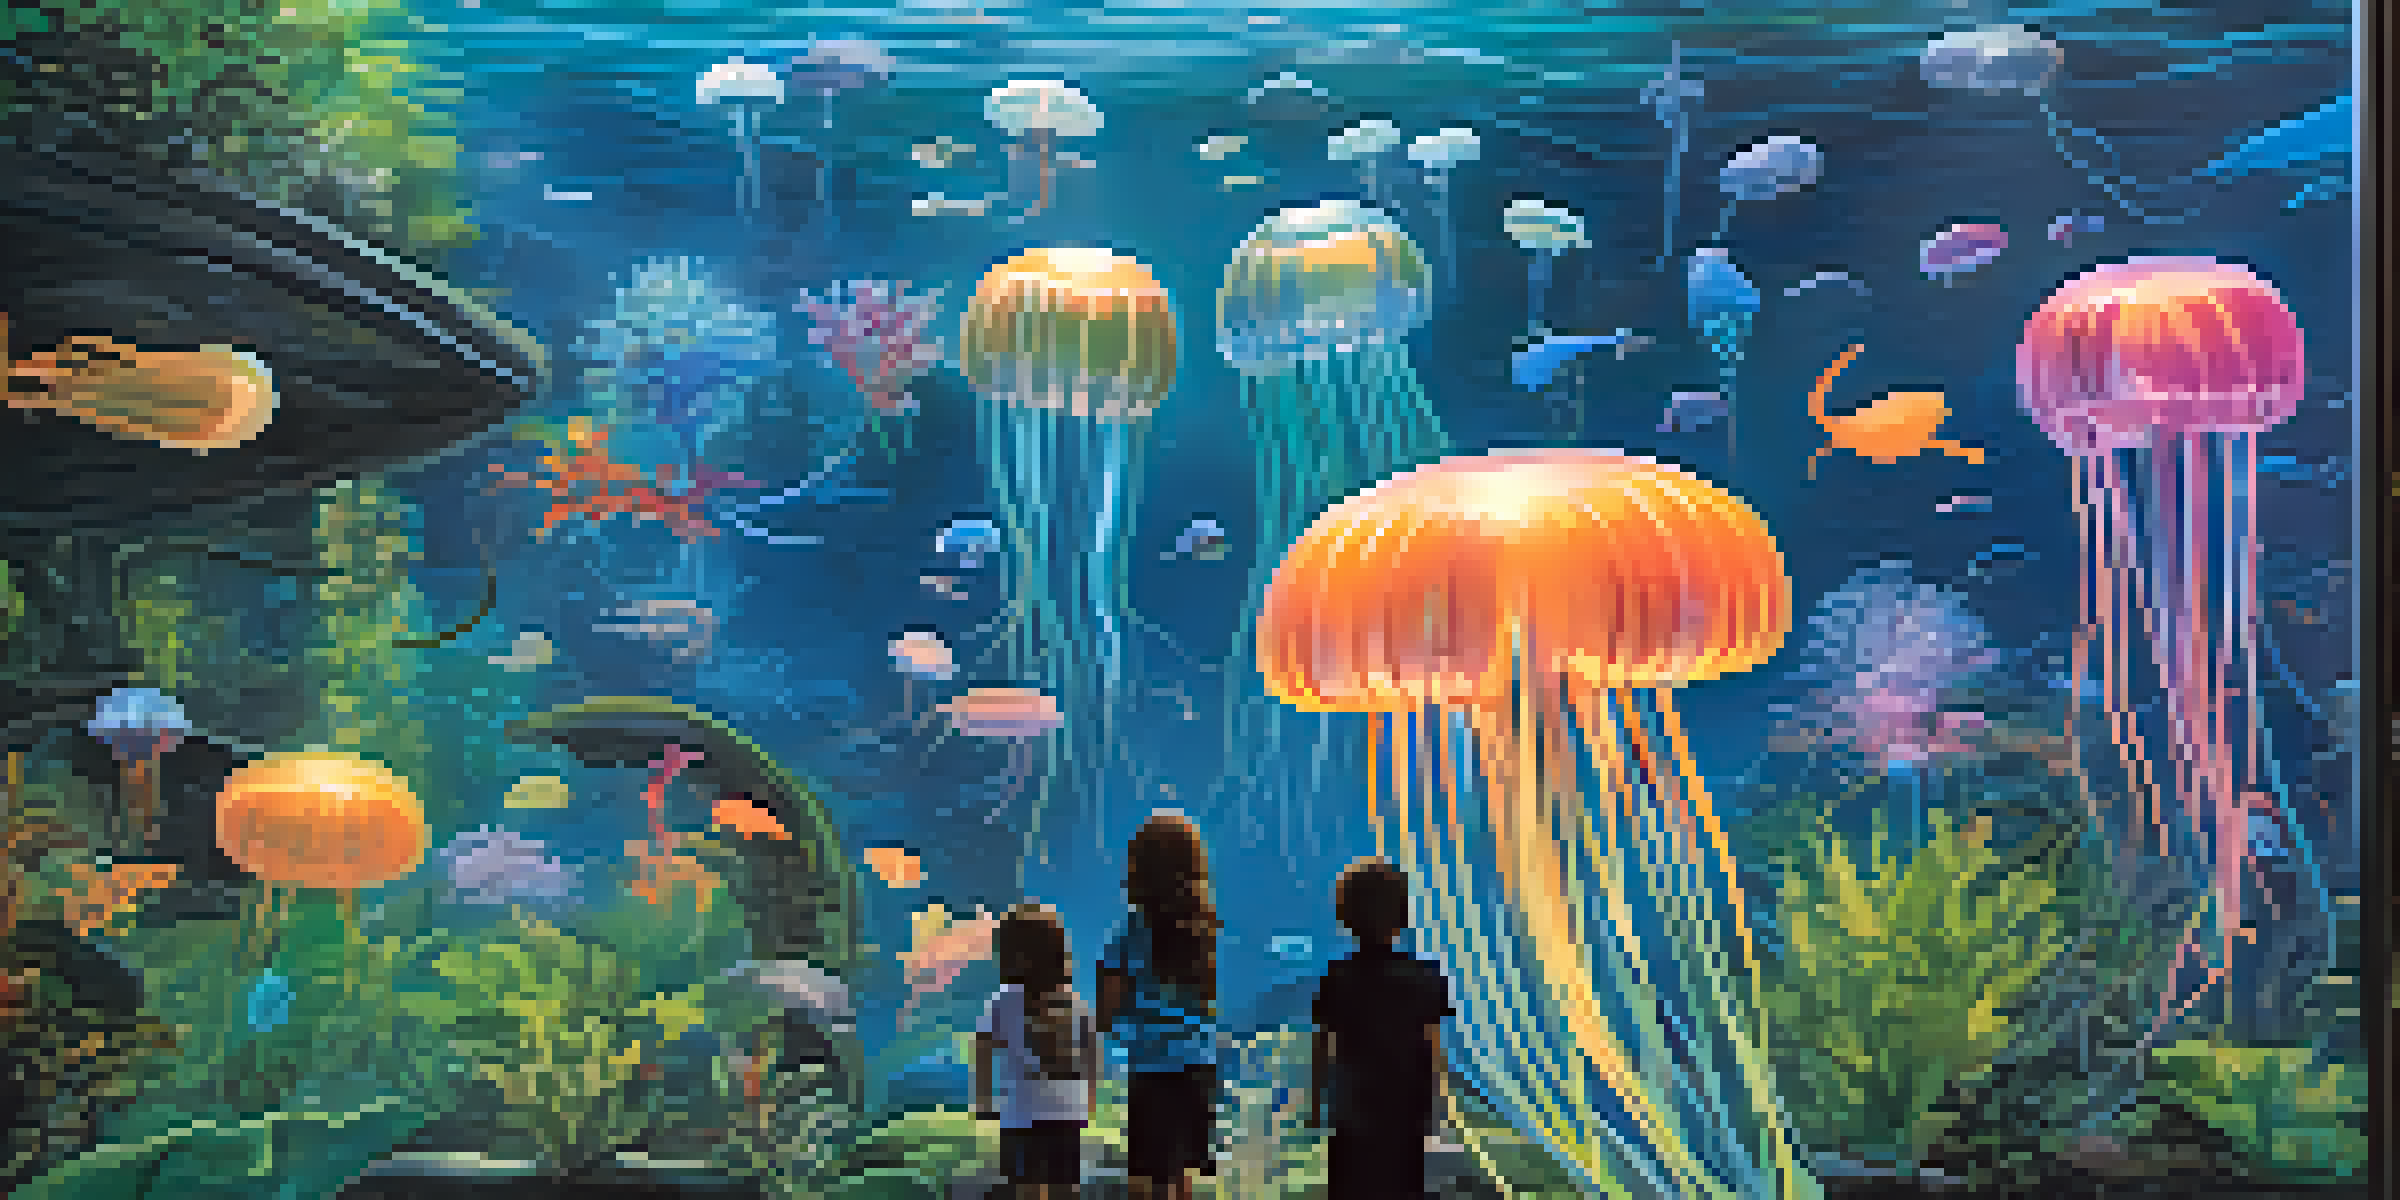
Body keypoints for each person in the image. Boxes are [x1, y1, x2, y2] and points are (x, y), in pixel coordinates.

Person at [1310, 856, 1455, 1200]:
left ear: (1345, 914)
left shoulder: (1337, 977)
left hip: (1352, 1113)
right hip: (1405, 1113)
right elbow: (1433, 1048)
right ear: (1402, 914)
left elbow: (1323, 1046)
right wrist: (1437, 1107)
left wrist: (1317, 1106)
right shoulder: (1426, 977)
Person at [1095, 811, 1223, 1200]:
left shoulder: (1130, 933)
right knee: (1180, 1170)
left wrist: (1112, 1029)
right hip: (1197, 1065)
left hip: (1152, 1066)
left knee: (1146, 1174)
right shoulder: (1203, 932)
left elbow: (1109, 1006)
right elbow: (1207, 1002)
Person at [975, 902, 1099, 1200]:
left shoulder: (1002, 1001)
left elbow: (983, 1048)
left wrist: (983, 1099)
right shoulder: (1072, 1000)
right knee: (1065, 1188)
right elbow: (1090, 1048)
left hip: (1021, 1113)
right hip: (1066, 1111)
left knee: (1026, 1187)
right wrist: (1089, 1097)